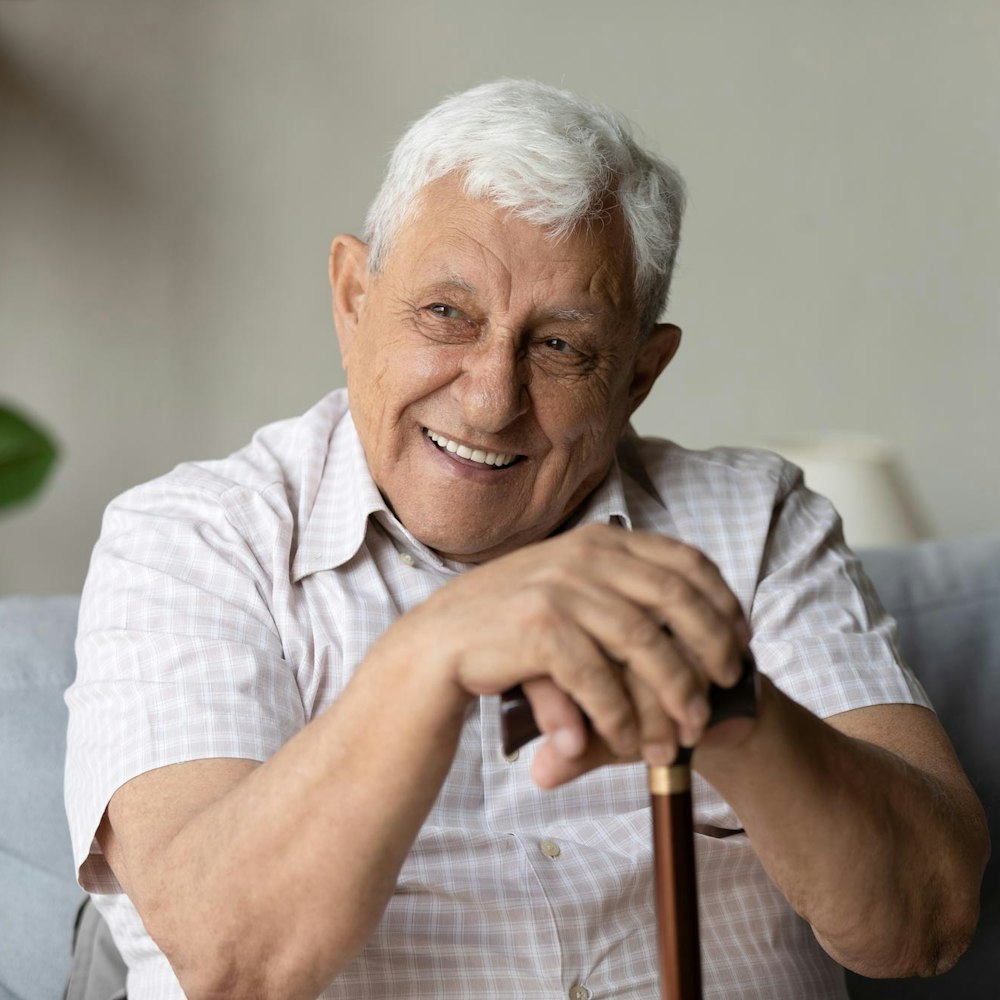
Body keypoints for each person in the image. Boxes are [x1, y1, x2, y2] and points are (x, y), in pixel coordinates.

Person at [65, 79, 988, 1000]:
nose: (490, 398)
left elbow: (930, 924)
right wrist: (437, 646)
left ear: (637, 376)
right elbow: (233, 962)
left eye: (560, 348)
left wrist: (734, 712)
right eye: (445, 315)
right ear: (352, 298)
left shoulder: (758, 526)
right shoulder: (191, 542)